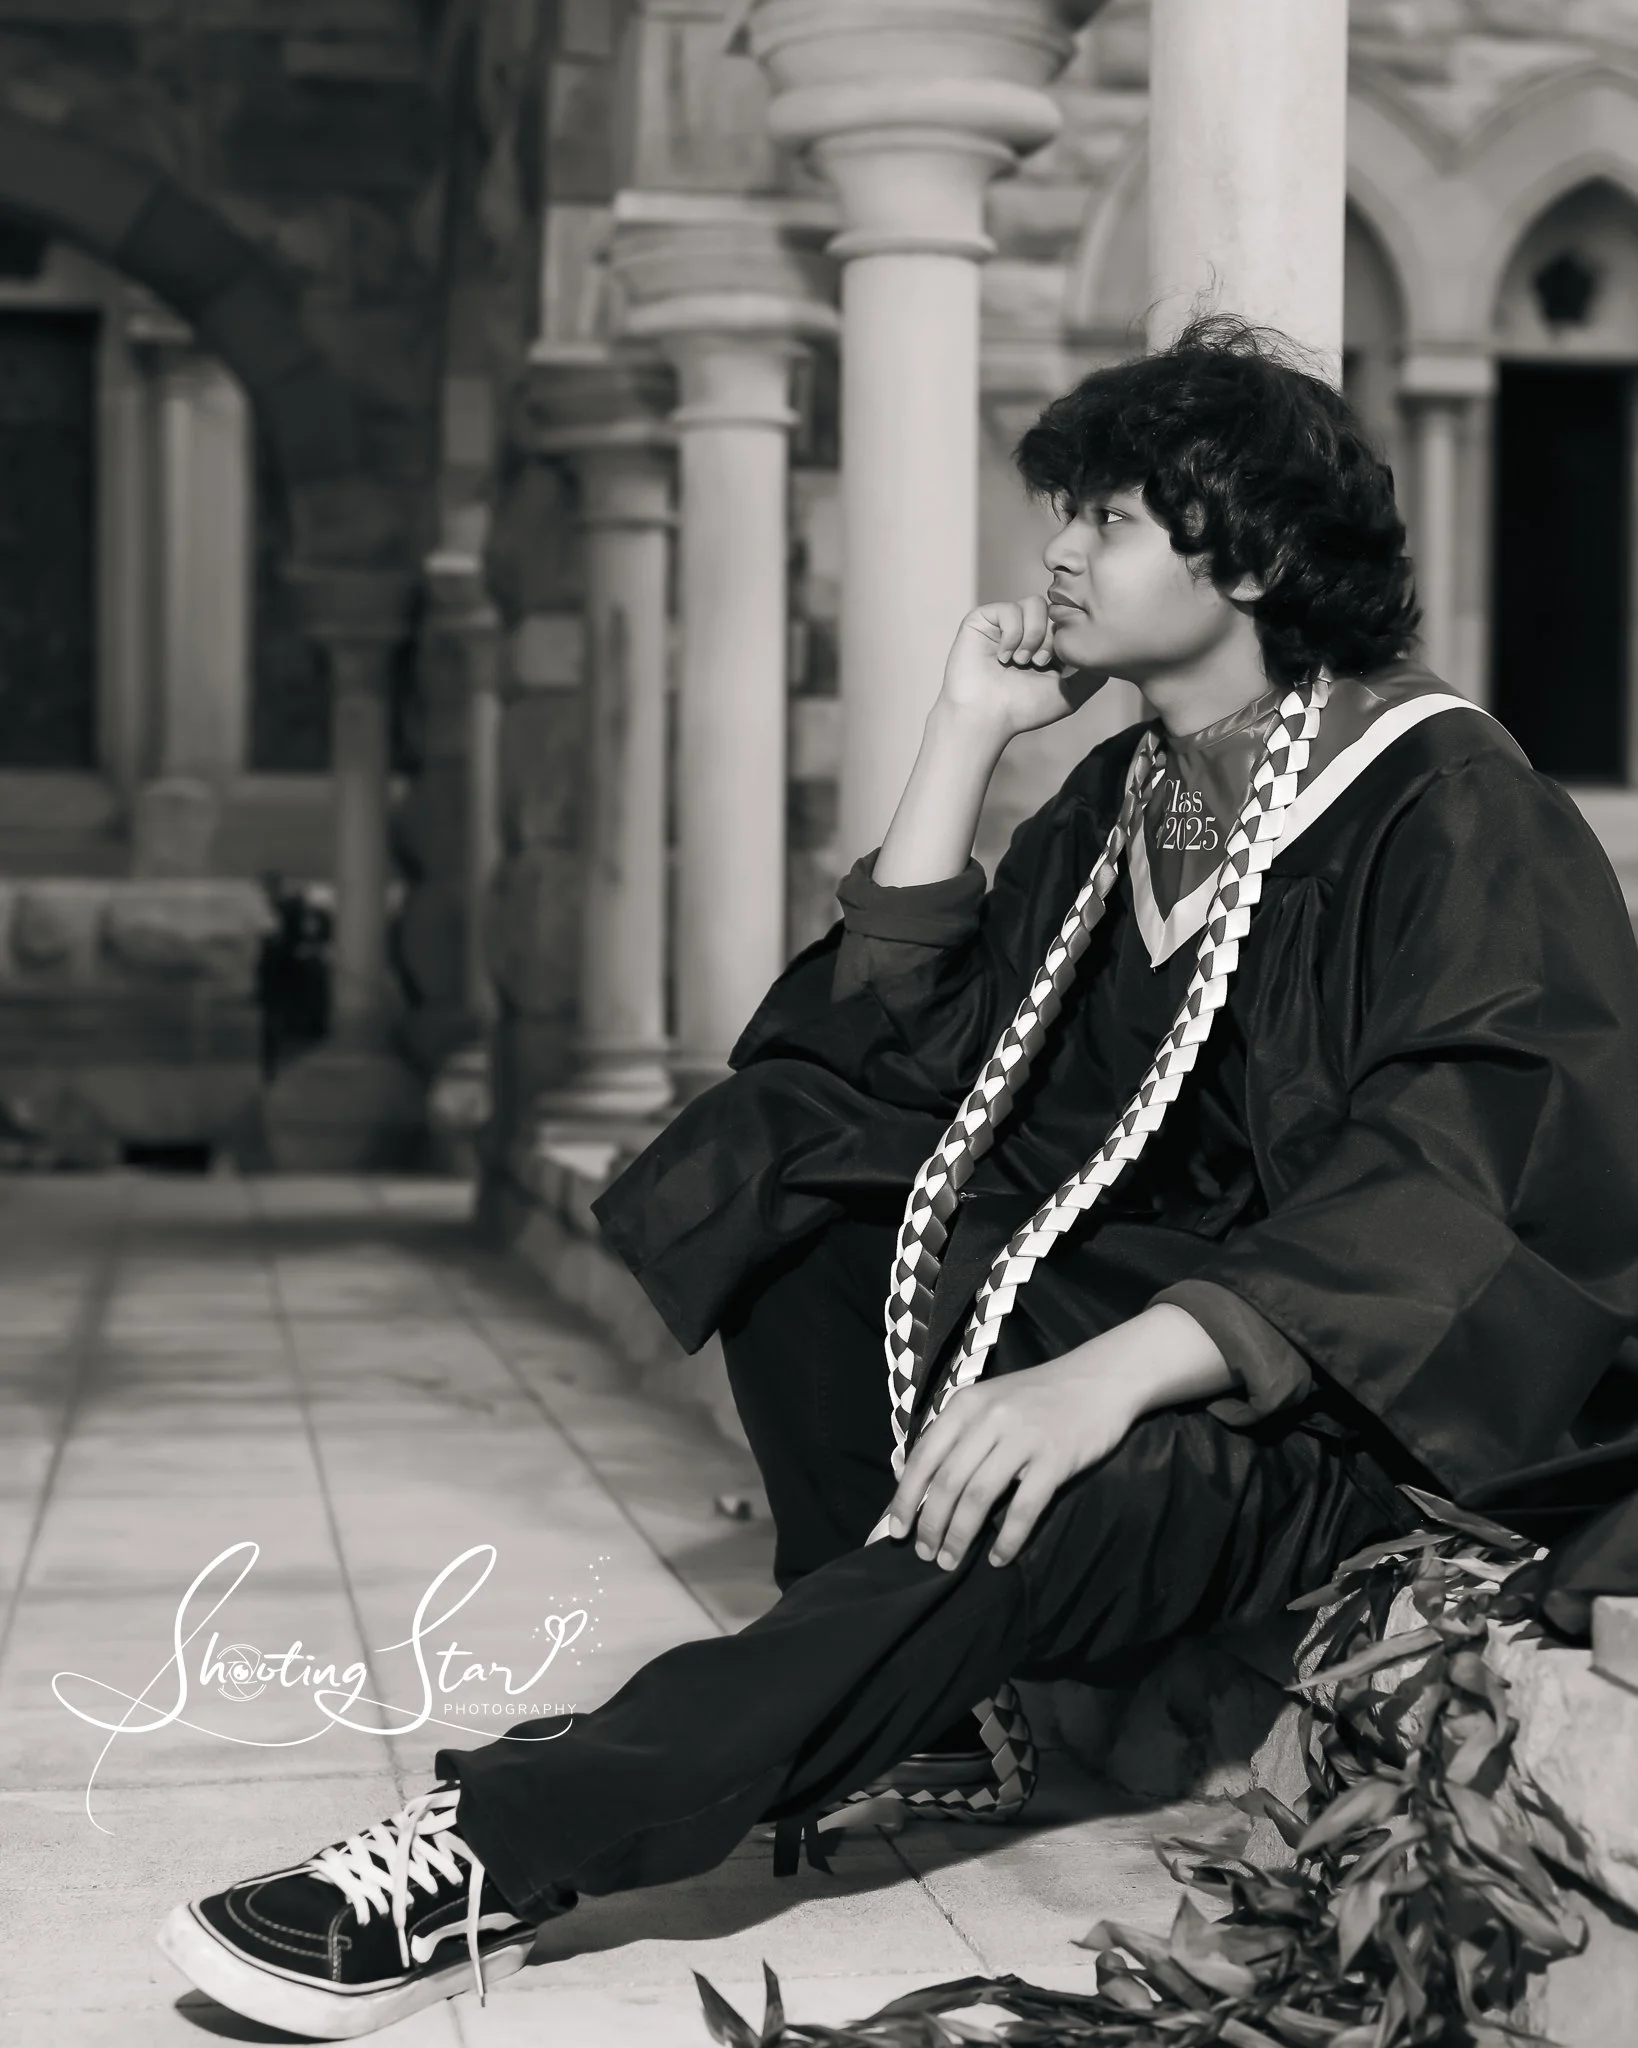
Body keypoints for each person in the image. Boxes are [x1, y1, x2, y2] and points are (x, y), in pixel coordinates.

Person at [156, 318, 1638, 2040]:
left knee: (1019, 1497)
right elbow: (899, 1068)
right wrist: (960, 739)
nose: (1057, 554)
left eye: (1110, 520)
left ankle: (492, 1851)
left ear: (1250, 551)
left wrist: (1102, 1377)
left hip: (1350, 1411)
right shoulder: (1126, 795)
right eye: (1062, 512)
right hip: (1135, 1312)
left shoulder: (1446, 801)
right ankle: (925, 1708)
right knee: (788, 1169)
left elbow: (1459, 1180)